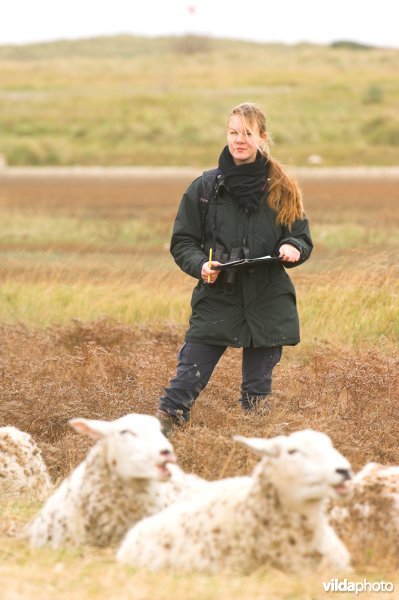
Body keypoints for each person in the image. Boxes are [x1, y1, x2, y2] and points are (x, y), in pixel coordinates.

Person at [156, 102, 313, 435]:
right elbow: (182, 242)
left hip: (268, 301)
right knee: (180, 390)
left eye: (247, 133)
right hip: (218, 296)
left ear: (262, 137)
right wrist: (201, 266)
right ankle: (160, 447)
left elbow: (301, 237)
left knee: (257, 399)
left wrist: (292, 247)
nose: (239, 140)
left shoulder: (282, 187)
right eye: (233, 132)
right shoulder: (204, 187)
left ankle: (249, 457)